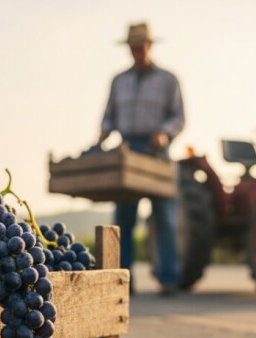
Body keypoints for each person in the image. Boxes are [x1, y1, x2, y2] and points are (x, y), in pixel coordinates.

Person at [96, 22, 185, 295]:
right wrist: (103, 132)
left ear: (149, 46)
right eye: (132, 47)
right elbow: (109, 115)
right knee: (124, 218)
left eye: (140, 46)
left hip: (157, 151)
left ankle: (169, 278)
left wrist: (165, 133)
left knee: (165, 218)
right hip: (128, 150)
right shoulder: (118, 80)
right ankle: (124, 279)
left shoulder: (168, 79)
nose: (137, 51)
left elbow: (178, 117)